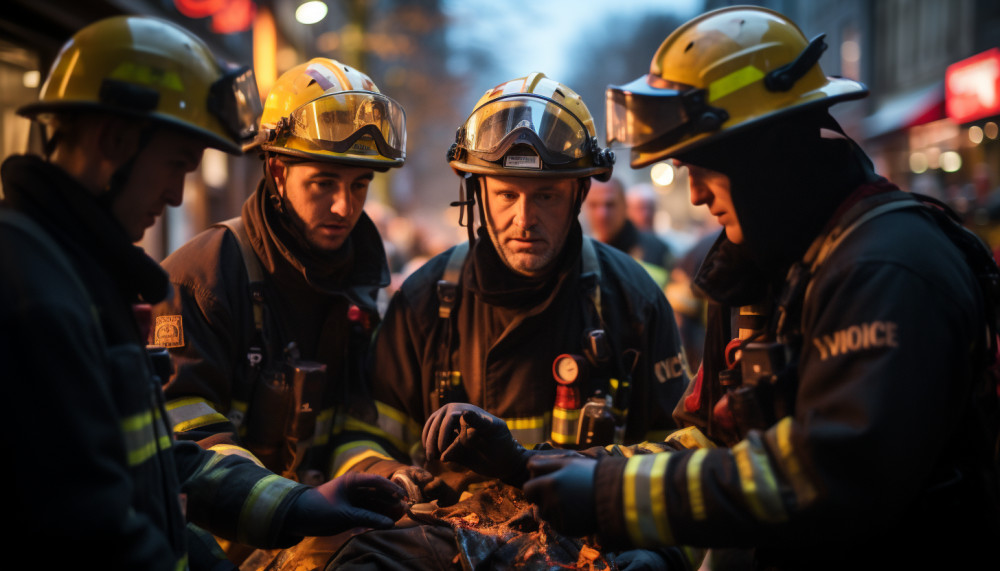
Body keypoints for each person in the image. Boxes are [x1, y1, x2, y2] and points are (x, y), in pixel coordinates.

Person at [519, 6, 1000, 569]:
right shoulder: (762, 270)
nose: (695, 194)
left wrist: (613, 494)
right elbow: (714, 440)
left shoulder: (888, 269)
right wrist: (544, 467)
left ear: (764, 155)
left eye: (701, 166)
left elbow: (835, 474)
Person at [0, 16, 405, 570]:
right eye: (176, 166)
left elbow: (156, 476)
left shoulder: (76, 277)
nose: (174, 196)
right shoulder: (32, 287)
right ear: (115, 141)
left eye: (359, 186)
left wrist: (300, 505)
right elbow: (90, 521)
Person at [329, 73, 693, 569]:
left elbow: (684, 465)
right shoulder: (425, 300)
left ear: (579, 193)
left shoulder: (630, 299)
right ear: (476, 194)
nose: (524, 219)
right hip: (449, 546)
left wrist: (659, 552)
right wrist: (393, 477)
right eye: (506, 194)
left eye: (545, 196)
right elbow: (363, 430)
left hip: (591, 543)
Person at [148, 57, 406, 560]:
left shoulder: (358, 284)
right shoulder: (200, 278)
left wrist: (379, 472)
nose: (344, 208)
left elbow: (354, 420)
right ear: (277, 170)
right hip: (217, 548)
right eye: (323, 183)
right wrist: (294, 507)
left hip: (315, 540)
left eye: (359, 186)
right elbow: (186, 441)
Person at [584, 176, 674, 288]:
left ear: (625, 206)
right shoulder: (584, 253)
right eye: (593, 205)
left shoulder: (655, 249)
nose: (602, 214)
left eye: (610, 204)